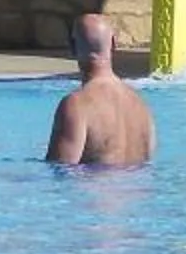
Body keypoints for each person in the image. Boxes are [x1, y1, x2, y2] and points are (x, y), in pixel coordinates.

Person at [45, 13, 156, 169]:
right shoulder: (141, 105)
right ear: (114, 44)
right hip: (137, 184)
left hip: (93, 184)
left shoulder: (76, 105)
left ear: (72, 47)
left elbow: (59, 171)